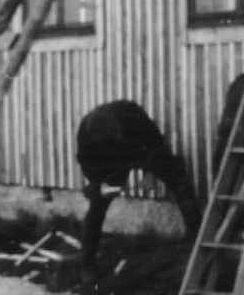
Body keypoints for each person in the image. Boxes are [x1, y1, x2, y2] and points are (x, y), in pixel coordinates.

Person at [75, 99, 202, 273]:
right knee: (98, 206)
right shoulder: (87, 134)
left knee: (179, 180)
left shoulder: (132, 115)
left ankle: (197, 241)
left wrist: (150, 172)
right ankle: (87, 264)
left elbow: (157, 144)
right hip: (110, 160)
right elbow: (88, 166)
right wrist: (99, 187)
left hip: (142, 150)